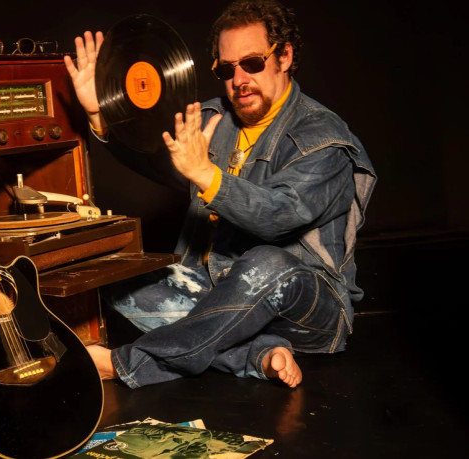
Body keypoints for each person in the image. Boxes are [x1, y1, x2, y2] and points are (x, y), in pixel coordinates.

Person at [63, 0, 376, 389]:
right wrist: (101, 113)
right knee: (114, 275)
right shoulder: (211, 118)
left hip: (305, 308)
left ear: (284, 57)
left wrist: (206, 174)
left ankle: (125, 365)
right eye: (226, 69)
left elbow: (278, 216)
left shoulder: (323, 137)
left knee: (268, 262)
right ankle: (256, 355)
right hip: (214, 296)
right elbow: (154, 158)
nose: (239, 79)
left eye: (253, 63)